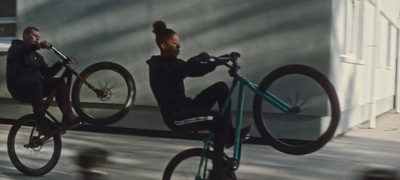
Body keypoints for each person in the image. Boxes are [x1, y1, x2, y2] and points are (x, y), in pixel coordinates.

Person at [147, 21, 251, 180]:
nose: (179, 47)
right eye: (175, 44)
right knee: (219, 122)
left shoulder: (176, 63)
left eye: (179, 44)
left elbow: (197, 70)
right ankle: (217, 172)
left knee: (221, 88)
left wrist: (221, 60)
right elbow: (176, 76)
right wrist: (193, 61)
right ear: (163, 45)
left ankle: (229, 135)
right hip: (177, 117)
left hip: (187, 107)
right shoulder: (156, 66)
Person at [6, 26, 78, 137]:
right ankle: (42, 125)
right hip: (19, 88)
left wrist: (60, 64)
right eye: (35, 36)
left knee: (58, 83)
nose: (37, 39)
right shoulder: (16, 47)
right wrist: (38, 46)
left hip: (35, 87)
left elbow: (47, 73)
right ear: (25, 35)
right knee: (37, 83)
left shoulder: (37, 57)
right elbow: (22, 52)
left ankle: (69, 116)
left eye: (38, 38)